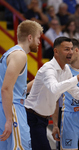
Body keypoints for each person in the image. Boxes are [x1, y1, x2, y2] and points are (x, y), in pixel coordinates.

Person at [24, 37, 79, 150]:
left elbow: (75, 92)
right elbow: (55, 89)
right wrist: (78, 77)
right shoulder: (48, 69)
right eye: (66, 49)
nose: (70, 52)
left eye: (71, 49)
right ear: (56, 51)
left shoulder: (65, 70)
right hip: (31, 117)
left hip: (43, 119)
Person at [0, 20, 43, 149]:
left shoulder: (10, 53)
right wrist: (9, 119)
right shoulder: (20, 55)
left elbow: (17, 88)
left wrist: (38, 80)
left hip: (7, 105)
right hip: (12, 107)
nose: (39, 42)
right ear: (30, 37)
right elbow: (6, 88)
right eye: (38, 38)